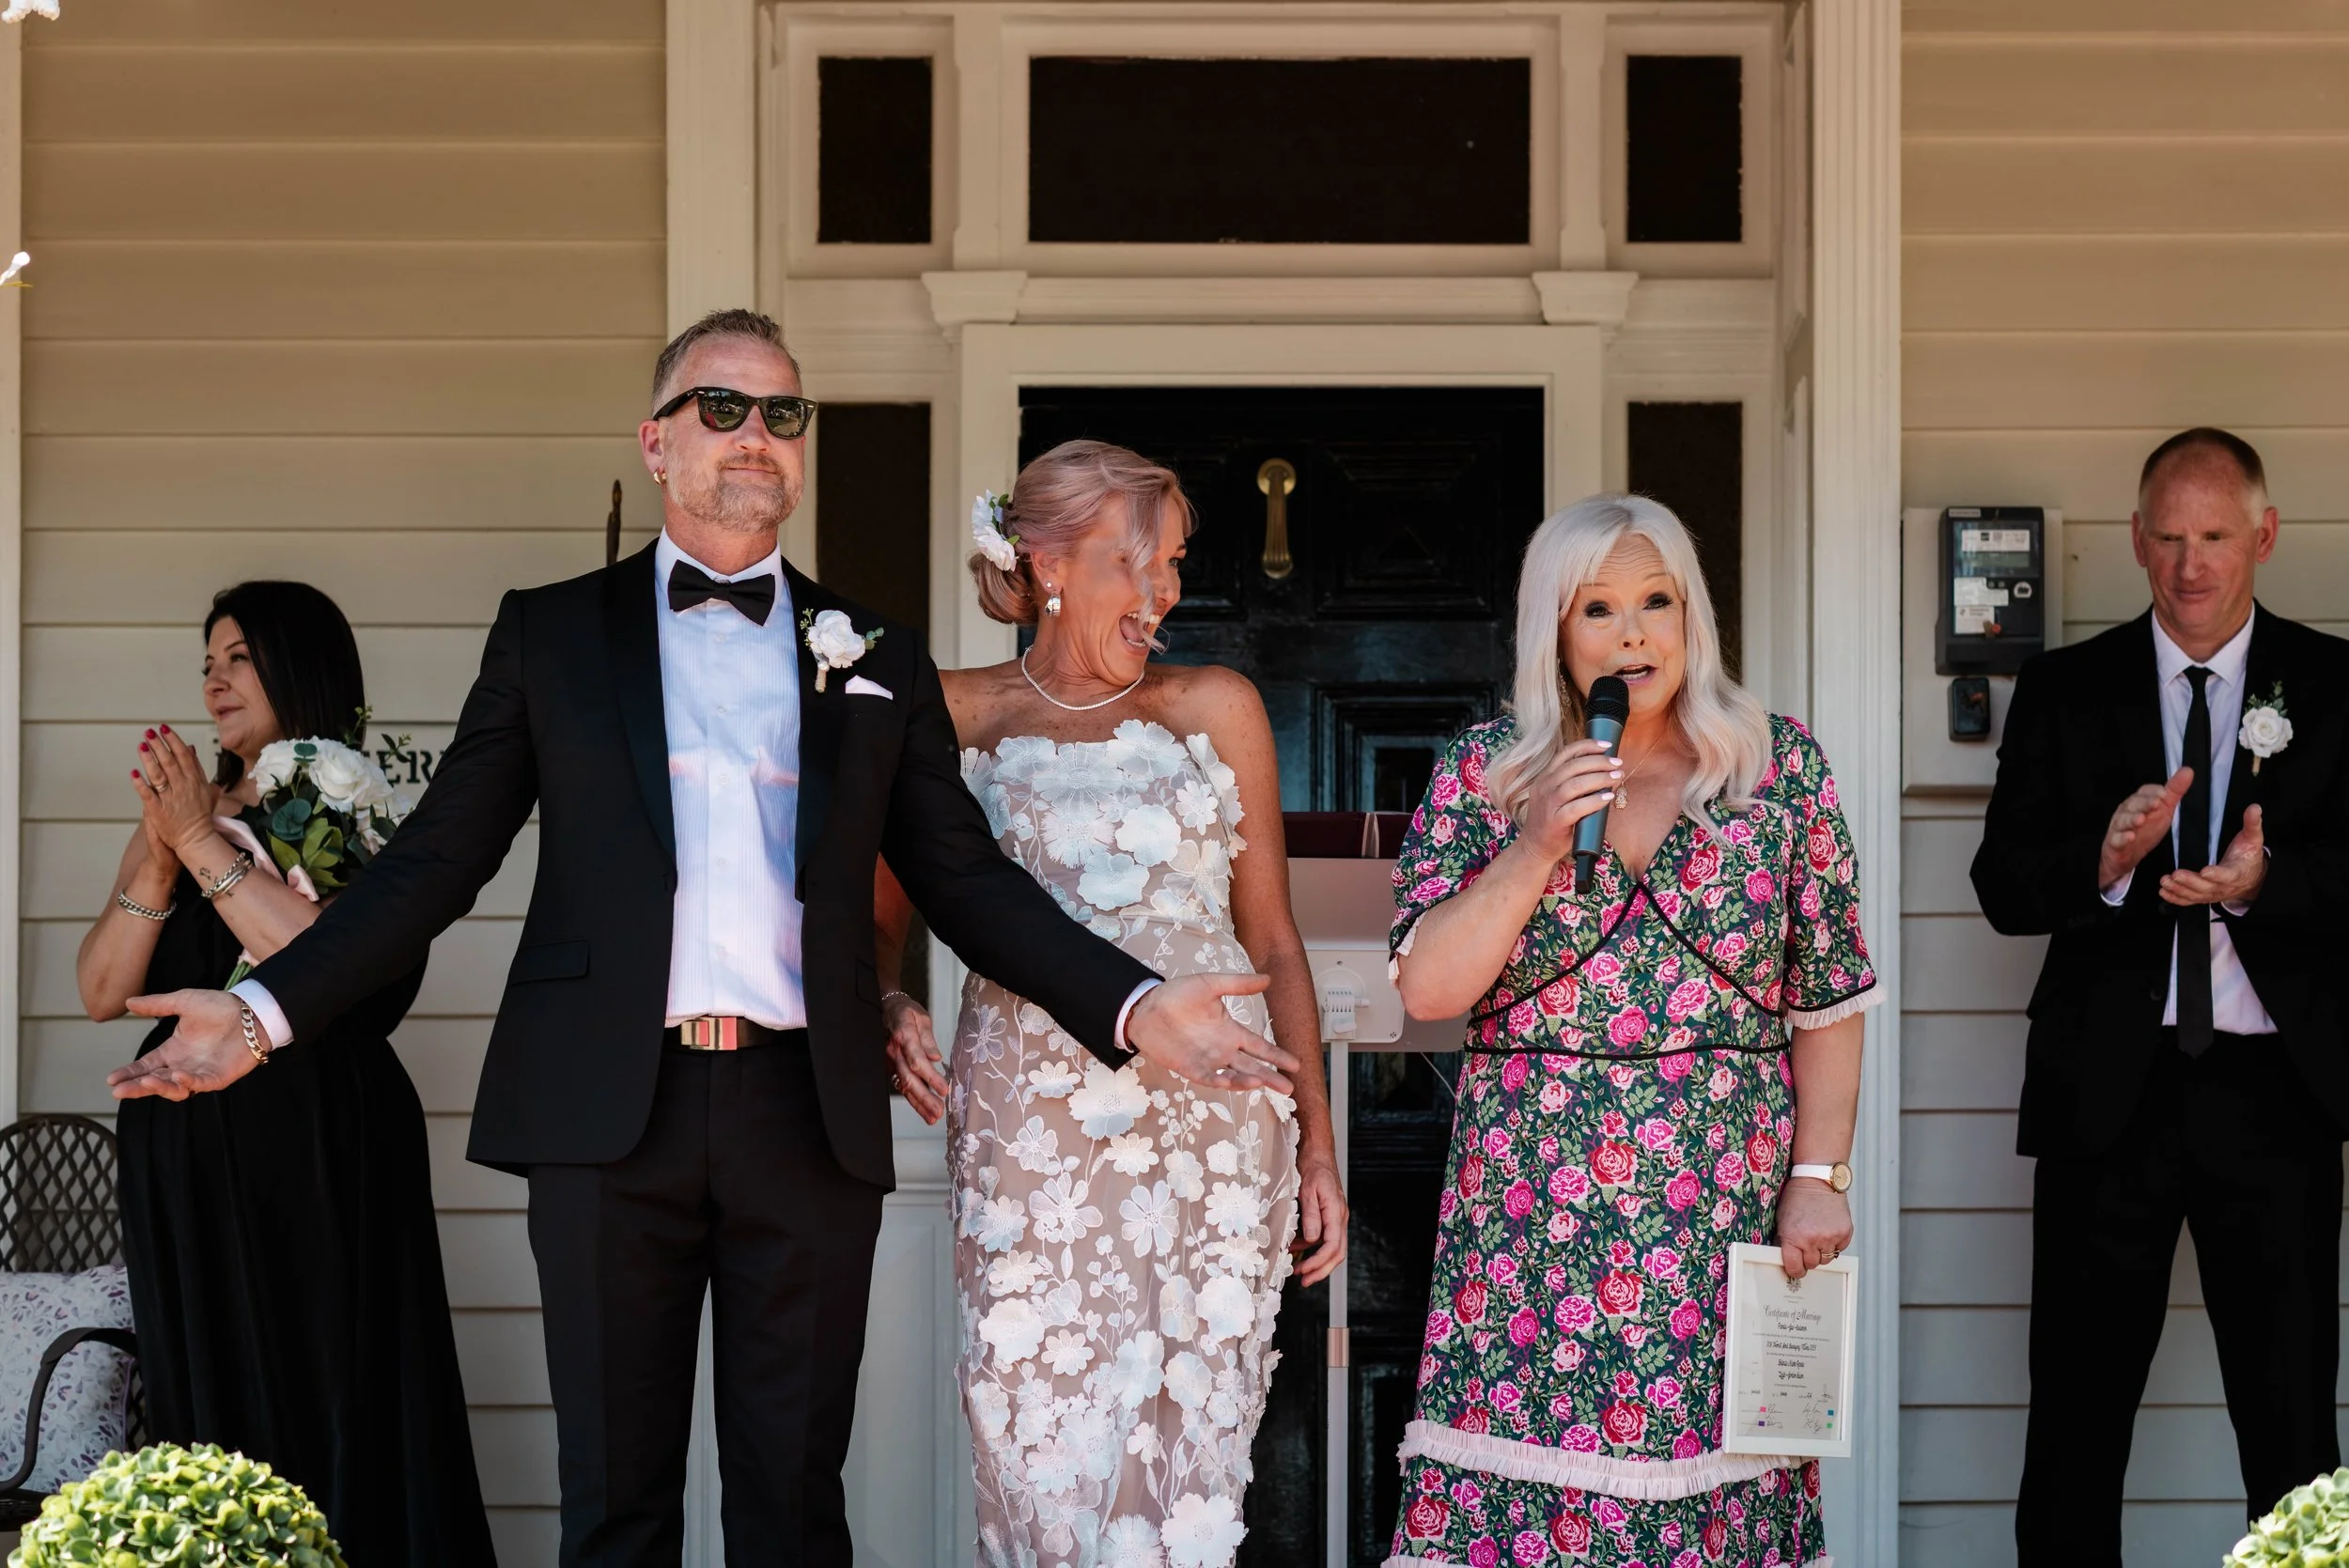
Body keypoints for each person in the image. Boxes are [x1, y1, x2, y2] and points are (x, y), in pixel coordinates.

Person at [105, 309, 1299, 1568]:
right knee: (617, 1513)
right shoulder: (552, 636)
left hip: (806, 1111)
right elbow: (435, 864)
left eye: (783, 414)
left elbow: (967, 883)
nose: (757, 435)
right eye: (722, 407)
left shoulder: (876, 654)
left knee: (791, 1510)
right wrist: (262, 1012)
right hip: (607, 1118)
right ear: (657, 443)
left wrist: (1132, 1001)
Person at [871, 442, 1348, 1568]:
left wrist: (1318, 1144)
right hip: (1034, 1145)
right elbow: (875, 916)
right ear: (1043, 563)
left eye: (1174, 563)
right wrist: (885, 998)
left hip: (1218, 1139)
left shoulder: (1216, 704)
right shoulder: (947, 711)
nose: (1164, 595)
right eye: (1136, 563)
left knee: (1191, 1472)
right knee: (1038, 1446)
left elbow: (1272, 937)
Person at [1379, 494, 1875, 1567]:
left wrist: (1819, 1175)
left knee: (1712, 1501)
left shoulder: (1776, 769)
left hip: (1722, 1197)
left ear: (1691, 612)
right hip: (1533, 1211)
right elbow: (1427, 988)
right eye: (1598, 608)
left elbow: (1826, 1000)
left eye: (1656, 600)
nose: (1634, 633)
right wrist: (1535, 844)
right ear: (1554, 632)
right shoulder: (1487, 772)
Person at [1975, 428, 2349, 1560]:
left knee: (2290, 1434)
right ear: (2136, 541)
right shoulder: (2062, 689)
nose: (2192, 564)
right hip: (2106, 1102)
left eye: (2216, 537)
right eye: (2170, 538)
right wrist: (2099, 862)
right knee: (2076, 1432)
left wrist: (2264, 881)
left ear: (2264, 537)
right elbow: (2001, 883)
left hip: (2274, 1100)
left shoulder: (2336, 685)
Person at [77, 581, 495, 1566]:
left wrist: (198, 842)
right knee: (207, 1385)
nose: (216, 680)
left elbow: (327, 970)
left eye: (239, 657)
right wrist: (157, 850)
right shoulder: (190, 810)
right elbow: (100, 990)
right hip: (185, 1157)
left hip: (313, 1141)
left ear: (299, 664)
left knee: (326, 1377)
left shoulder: (342, 802)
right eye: (207, 664)